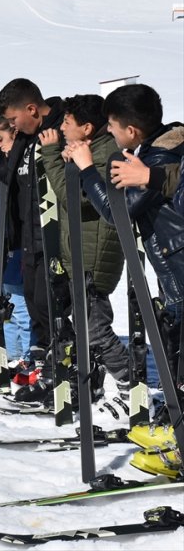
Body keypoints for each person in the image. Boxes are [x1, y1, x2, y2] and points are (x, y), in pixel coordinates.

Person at [70, 84, 184, 422]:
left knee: (177, 353)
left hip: (177, 265)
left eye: (113, 126)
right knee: (174, 350)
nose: (109, 132)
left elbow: (116, 212)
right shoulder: (157, 149)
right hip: (172, 263)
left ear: (130, 129)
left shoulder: (159, 157)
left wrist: (87, 169)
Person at [40, 94, 132, 399]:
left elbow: (73, 199)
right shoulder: (91, 149)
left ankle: (130, 387)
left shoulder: (105, 155)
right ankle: (100, 384)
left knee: (95, 330)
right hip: (82, 254)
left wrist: (52, 155)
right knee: (85, 327)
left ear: (88, 127)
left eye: (68, 122)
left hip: (94, 257)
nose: (63, 128)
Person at [0, 78, 67, 400]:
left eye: (13, 120)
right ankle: (45, 372)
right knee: (35, 304)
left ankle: (66, 374)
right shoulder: (25, 139)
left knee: (51, 307)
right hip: (27, 238)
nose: (12, 126)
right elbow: (9, 178)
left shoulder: (60, 131)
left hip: (54, 238)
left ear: (32, 109)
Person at [0, 112, 36, 375]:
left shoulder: (22, 161)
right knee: (7, 304)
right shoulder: (3, 160)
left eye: (0, 139)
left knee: (21, 304)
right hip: (6, 241)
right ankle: (13, 354)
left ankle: (27, 355)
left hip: (20, 241)